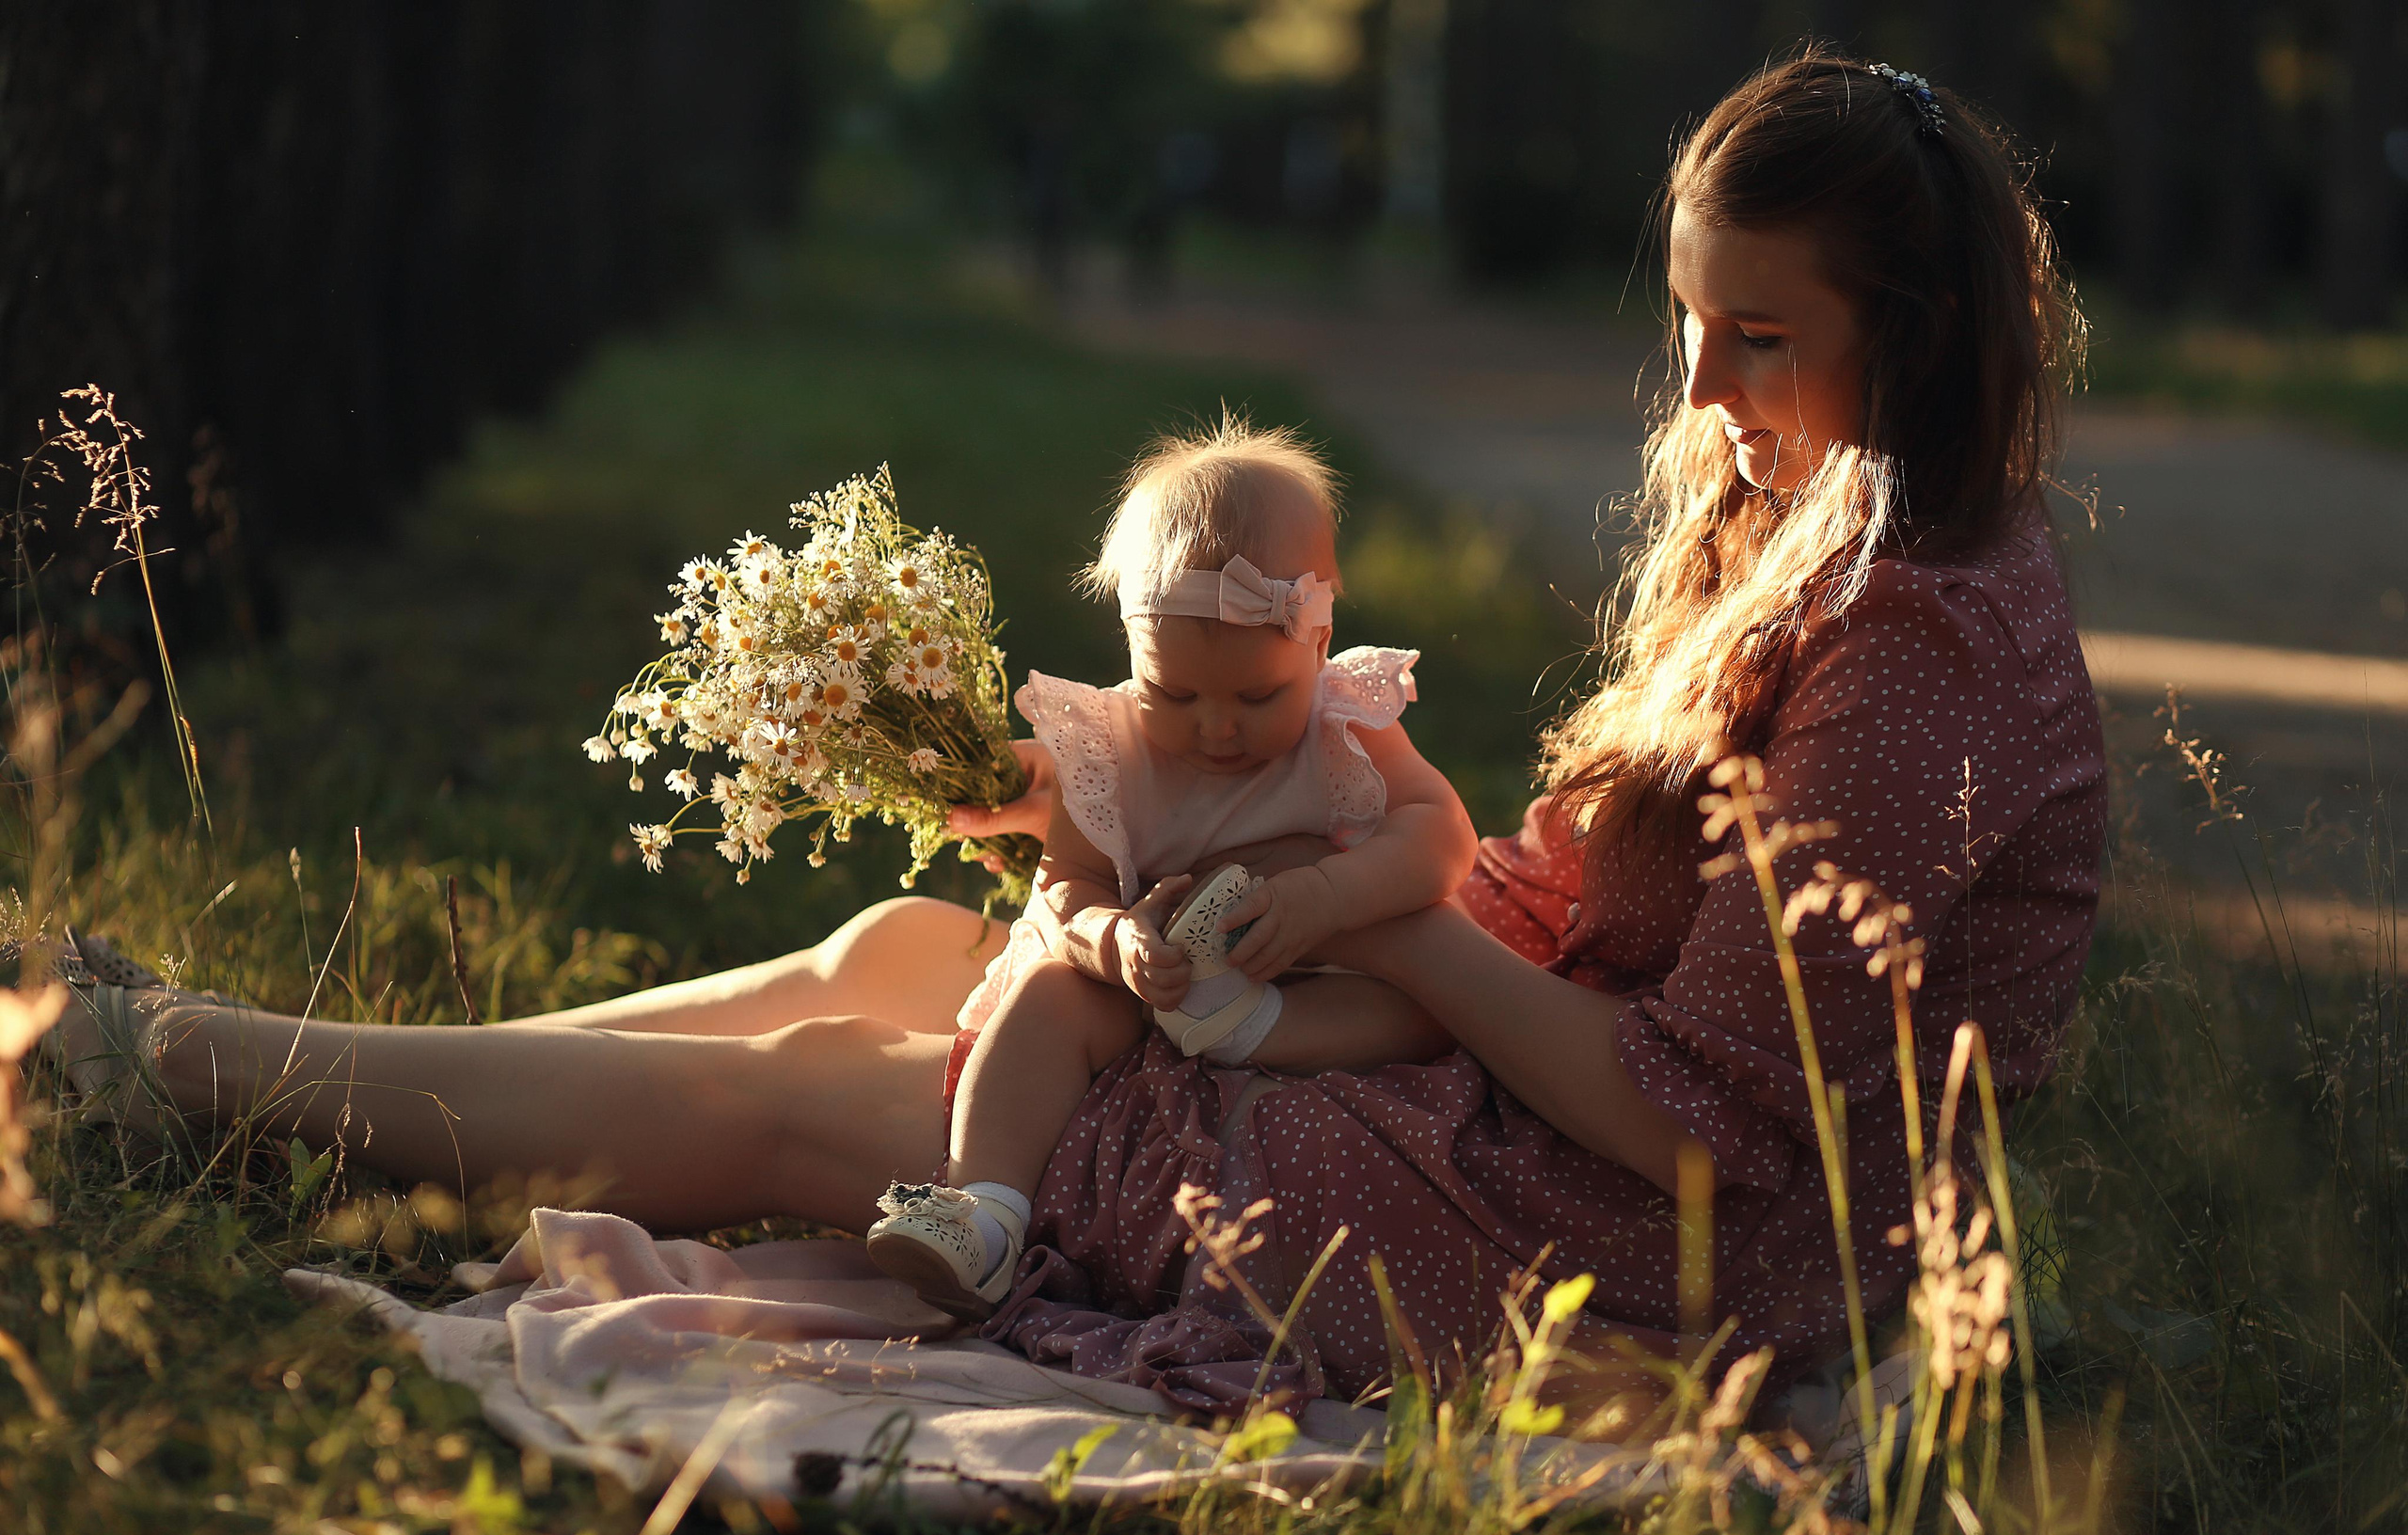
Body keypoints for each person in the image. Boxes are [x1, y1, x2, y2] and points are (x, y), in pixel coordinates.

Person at [46, 50, 2103, 1418]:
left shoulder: (1918, 648)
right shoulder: (1817, 530)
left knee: (859, 1093)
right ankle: (272, 1059)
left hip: (1634, 1243)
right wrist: (1208, 861)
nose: (1703, 382)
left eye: (1759, 337)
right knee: (904, 953)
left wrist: (1365, 917)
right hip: (1488, 1068)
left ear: (1903, 340)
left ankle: (165, 1068)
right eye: (1688, 320)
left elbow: (1692, 1131)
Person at [864, 419, 1473, 1321]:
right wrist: (1112, 940)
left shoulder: (1346, 719)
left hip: (1303, 973)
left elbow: (1444, 834)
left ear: (1317, 642)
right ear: (1131, 652)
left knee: (1430, 1004)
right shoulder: (1104, 749)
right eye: (1174, 695)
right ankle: (982, 1211)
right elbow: (1064, 884)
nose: (1217, 729)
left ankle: (1247, 1031)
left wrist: (1329, 896)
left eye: (1257, 697)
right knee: (1041, 1006)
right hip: (1148, 983)